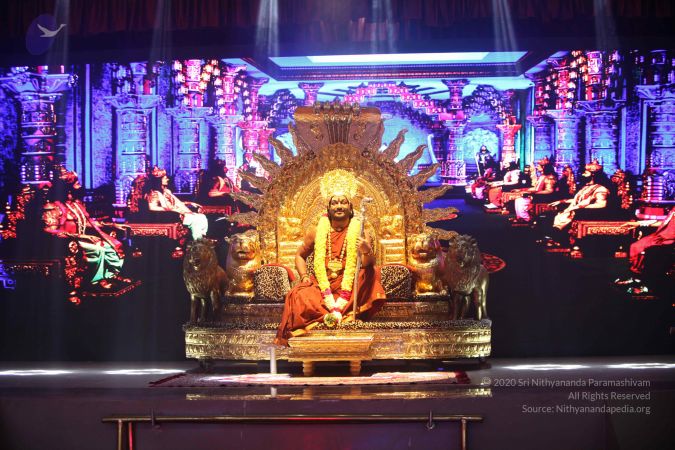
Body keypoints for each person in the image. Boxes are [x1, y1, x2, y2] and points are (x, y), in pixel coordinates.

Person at [274, 194, 386, 345]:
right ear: (328, 209)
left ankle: (338, 315)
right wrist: (304, 276)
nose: (339, 206)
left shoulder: (360, 231)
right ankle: (340, 317)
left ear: (350, 208)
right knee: (298, 294)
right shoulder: (316, 231)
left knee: (370, 273)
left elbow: (367, 264)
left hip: (350, 283)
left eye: (343, 203)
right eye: (334, 203)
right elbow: (300, 255)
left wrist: (366, 250)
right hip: (322, 284)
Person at [42, 168, 129, 290]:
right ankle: (98, 280)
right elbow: (50, 230)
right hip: (67, 243)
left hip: (82, 240)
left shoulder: (76, 204)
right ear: (67, 189)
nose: (80, 187)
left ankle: (111, 275)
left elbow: (88, 223)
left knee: (112, 245)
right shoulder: (54, 207)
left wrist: (112, 225)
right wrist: (82, 236)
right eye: (76, 184)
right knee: (99, 249)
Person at [146, 166, 208, 240]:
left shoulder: (167, 191)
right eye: (165, 178)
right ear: (159, 180)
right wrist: (170, 209)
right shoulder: (154, 193)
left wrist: (188, 204)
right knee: (195, 220)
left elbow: (177, 202)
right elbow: (152, 207)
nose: (168, 179)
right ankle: (197, 242)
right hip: (166, 215)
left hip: (175, 211)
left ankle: (202, 240)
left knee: (202, 217)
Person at [550, 160, 610, 231]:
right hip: (577, 210)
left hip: (588, 213)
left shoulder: (601, 189)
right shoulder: (585, 187)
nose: (583, 175)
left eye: (586, 173)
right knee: (550, 216)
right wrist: (562, 201)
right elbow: (579, 200)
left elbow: (601, 204)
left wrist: (579, 207)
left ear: (593, 175)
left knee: (557, 219)